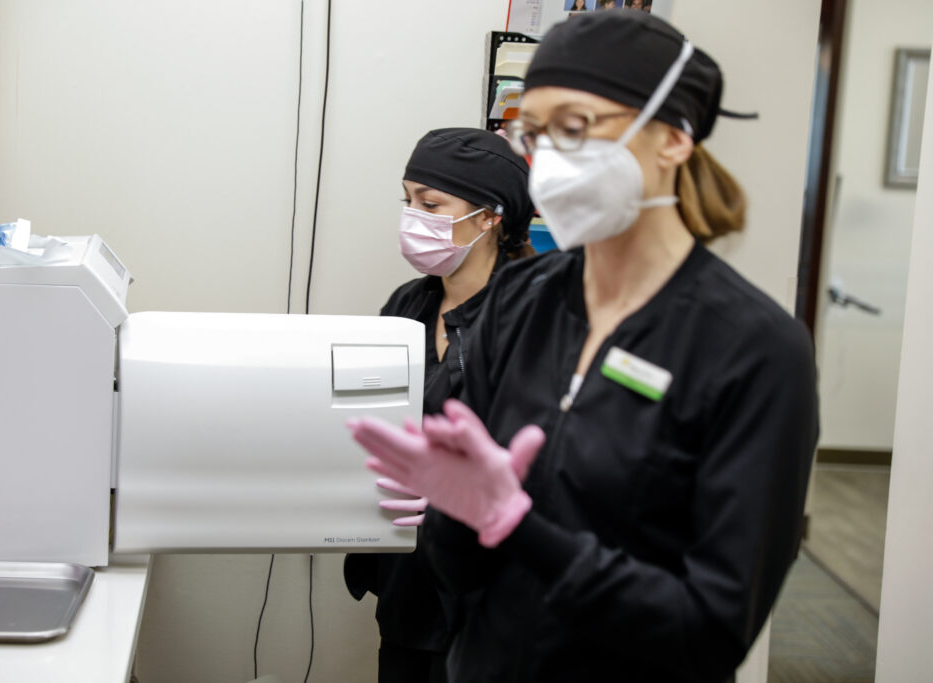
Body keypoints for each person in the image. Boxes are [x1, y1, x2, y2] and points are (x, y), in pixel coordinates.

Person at [349, 11, 818, 683]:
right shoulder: (522, 301)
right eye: (532, 133)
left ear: (674, 138)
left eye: (574, 127)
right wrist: (448, 510)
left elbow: (711, 630)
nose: (547, 159)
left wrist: (519, 525)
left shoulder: (754, 349)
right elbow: (461, 574)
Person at [343, 127, 535, 683]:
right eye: (407, 201)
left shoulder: (530, 310)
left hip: (488, 583)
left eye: (430, 204)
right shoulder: (410, 304)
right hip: (407, 572)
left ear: (490, 216)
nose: (412, 217)